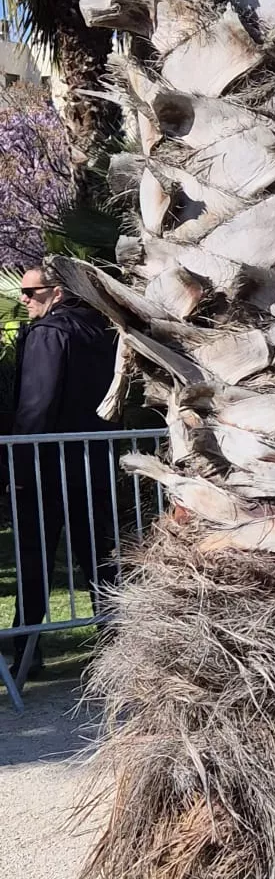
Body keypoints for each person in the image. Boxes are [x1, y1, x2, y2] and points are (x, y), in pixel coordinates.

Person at [6, 260, 119, 683]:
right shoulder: (103, 331)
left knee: (34, 557)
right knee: (100, 555)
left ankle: (28, 652)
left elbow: (37, 404)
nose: (23, 300)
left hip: (46, 462)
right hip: (94, 457)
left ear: (57, 292)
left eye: (31, 293)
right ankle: (115, 645)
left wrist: (19, 458)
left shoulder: (50, 333)